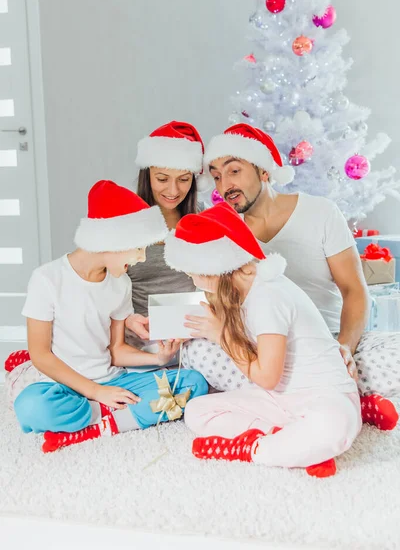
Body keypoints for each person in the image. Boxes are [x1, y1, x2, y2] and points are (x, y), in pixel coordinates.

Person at [186, 122, 398, 430]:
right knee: (197, 352)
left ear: (264, 171)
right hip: (266, 353)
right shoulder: (228, 234)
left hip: (326, 342)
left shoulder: (321, 213)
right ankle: (346, 401)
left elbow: (354, 291)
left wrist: (345, 348)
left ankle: (295, 402)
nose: (224, 185)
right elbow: (226, 304)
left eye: (234, 171)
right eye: (216, 176)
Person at [5, 180, 208, 452]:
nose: (141, 258)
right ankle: (114, 416)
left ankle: (96, 426)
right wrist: (95, 392)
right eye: (138, 248)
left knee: (192, 383)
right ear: (112, 239)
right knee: (30, 406)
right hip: (64, 385)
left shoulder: (120, 283)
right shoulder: (47, 279)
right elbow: (40, 355)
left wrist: (158, 359)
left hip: (114, 379)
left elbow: (116, 350)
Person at [164, 202, 362, 478]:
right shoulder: (243, 289)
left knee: (332, 427)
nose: (192, 279)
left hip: (323, 396)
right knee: (196, 412)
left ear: (213, 268)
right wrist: (168, 326)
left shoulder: (267, 296)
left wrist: (220, 335)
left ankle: (253, 449)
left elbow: (266, 377)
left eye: (192, 272)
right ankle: (295, 444)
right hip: (281, 401)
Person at [124, 120, 207, 362]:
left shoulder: (203, 217)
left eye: (183, 179)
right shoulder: (127, 220)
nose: (173, 190)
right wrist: (128, 320)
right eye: (162, 179)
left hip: (194, 338)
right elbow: (101, 288)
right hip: (141, 338)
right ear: (147, 174)